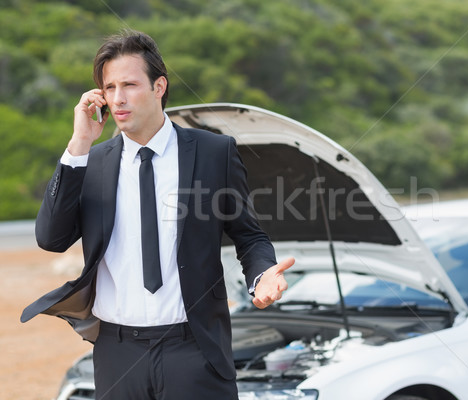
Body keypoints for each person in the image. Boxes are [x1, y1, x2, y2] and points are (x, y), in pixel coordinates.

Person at [21, 29, 293, 399]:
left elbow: (249, 235)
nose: (118, 99)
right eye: (110, 87)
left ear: (159, 86)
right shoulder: (92, 162)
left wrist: (262, 274)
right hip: (117, 351)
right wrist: (79, 143)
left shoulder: (214, 153)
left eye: (129, 85)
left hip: (194, 349)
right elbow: (51, 238)